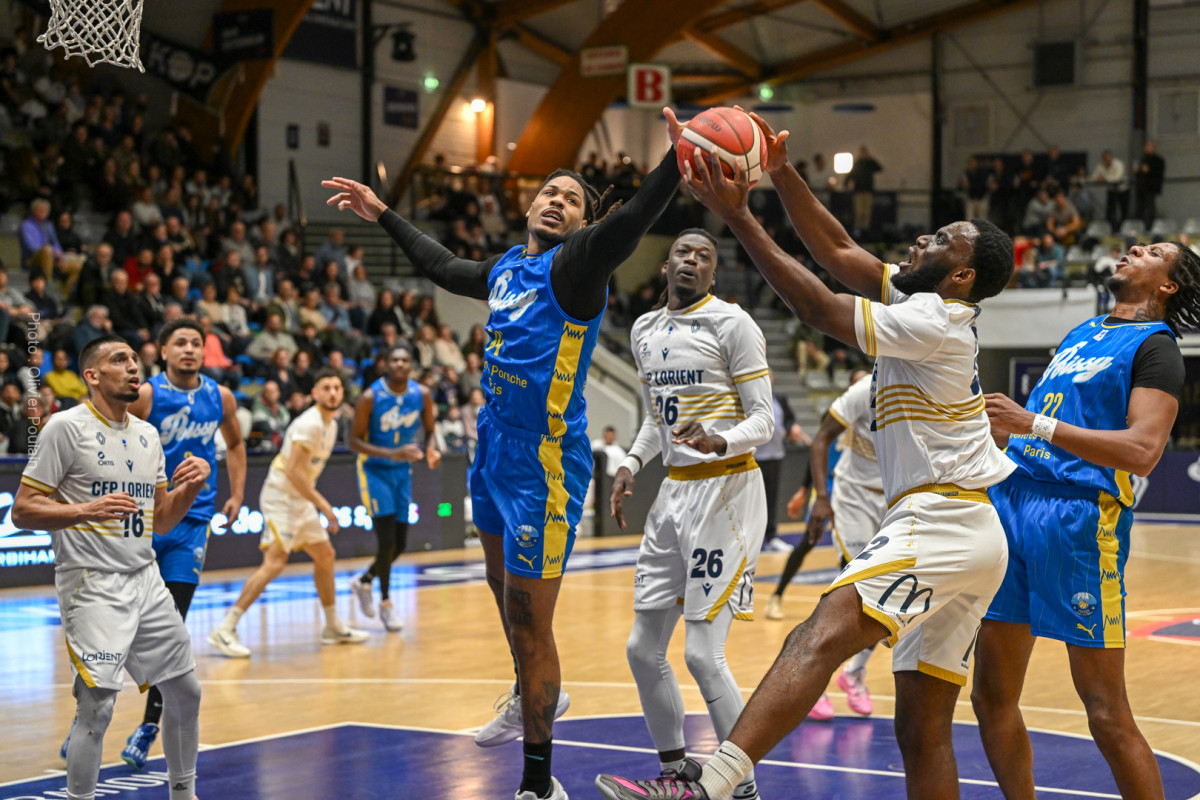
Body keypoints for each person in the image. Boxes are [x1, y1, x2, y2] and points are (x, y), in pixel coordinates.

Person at [596, 110, 1016, 800]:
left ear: (962, 274)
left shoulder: (931, 317)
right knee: (922, 728)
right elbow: (839, 249)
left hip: (942, 520)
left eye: (941, 239)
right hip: (972, 531)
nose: (923, 238)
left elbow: (820, 307)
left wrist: (739, 216)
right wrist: (781, 172)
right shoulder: (926, 302)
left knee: (816, 636)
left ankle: (710, 786)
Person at [323, 108, 683, 800]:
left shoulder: (576, 266)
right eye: (550, 191)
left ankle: (538, 785)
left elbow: (635, 219)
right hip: (491, 444)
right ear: (528, 204)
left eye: (572, 199)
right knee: (498, 583)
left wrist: (676, 161)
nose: (557, 200)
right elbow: (441, 265)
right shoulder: (508, 268)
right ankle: (528, 691)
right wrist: (382, 213)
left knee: (530, 620)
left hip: (543, 463)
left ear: (584, 223)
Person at [972, 241, 1198, 800]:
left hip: (1077, 519)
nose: (1134, 248)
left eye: (1153, 252)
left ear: (1167, 285)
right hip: (1012, 501)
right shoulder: (1082, 332)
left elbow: (1143, 450)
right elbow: (1037, 423)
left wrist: (1032, 424)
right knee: (990, 697)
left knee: (1104, 711)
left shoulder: (1157, 348)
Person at [609, 229, 773, 800]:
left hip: (728, 492)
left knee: (703, 654)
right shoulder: (644, 329)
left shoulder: (733, 324)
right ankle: (677, 771)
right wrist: (631, 462)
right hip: (673, 493)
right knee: (641, 649)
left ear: (713, 273)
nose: (692, 261)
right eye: (683, 251)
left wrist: (718, 438)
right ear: (666, 264)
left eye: (705, 256)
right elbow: (658, 418)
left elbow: (764, 419)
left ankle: (742, 788)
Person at [13, 334, 208, 800]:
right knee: (97, 709)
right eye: (120, 359)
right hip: (92, 583)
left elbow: (161, 520)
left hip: (145, 578)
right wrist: (85, 510)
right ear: (93, 376)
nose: (133, 366)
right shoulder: (65, 427)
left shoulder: (147, 435)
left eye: (135, 359)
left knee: (186, 692)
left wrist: (192, 488)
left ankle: (184, 794)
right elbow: (22, 510)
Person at [108, 319, 247, 767]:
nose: (189, 349)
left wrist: (237, 493)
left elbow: (235, 444)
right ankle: (89, 718)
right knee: (121, 623)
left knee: (173, 624)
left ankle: (149, 724)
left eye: (196, 343)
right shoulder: (148, 394)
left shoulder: (220, 397)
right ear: (163, 350)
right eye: (180, 343)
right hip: (144, 518)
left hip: (194, 519)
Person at [207, 370, 368, 657]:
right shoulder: (310, 424)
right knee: (274, 563)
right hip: (281, 497)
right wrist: (324, 505)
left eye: (337, 387)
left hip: (300, 499)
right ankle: (225, 628)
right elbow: (293, 472)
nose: (333, 393)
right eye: (326, 387)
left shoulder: (331, 425)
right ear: (314, 394)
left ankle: (332, 626)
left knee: (325, 555)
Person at [765, 370, 881, 722]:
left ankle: (854, 672)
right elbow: (819, 441)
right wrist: (817, 496)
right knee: (859, 590)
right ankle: (811, 676)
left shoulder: (927, 390)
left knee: (888, 598)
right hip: (852, 498)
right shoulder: (863, 393)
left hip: (894, 500)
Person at [349, 344, 441, 632]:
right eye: (395, 360)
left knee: (400, 543)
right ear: (386, 364)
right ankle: (386, 603)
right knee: (386, 541)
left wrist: (431, 449)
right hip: (375, 471)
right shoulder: (370, 397)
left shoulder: (421, 394)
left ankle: (365, 580)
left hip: (402, 472)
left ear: (411, 365)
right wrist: (393, 453)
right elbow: (353, 442)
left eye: (405, 360)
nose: (400, 364)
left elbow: (430, 430)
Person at [757, 371, 809, 552]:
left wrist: (792, 428)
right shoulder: (748, 399)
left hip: (775, 455)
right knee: (752, 500)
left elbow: (789, 419)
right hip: (753, 457)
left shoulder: (779, 397)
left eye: (768, 376)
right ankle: (749, 540)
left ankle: (771, 537)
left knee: (771, 498)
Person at [1134, 140, 1165, 230]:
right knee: (1140, 207)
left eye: (1148, 147)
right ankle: (1140, 226)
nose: (1146, 148)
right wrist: (1139, 170)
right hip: (1141, 188)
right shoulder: (1143, 159)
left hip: (1151, 187)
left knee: (1150, 207)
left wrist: (1149, 170)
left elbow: (1159, 173)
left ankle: (1149, 227)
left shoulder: (1158, 160)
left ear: (1153, 148)